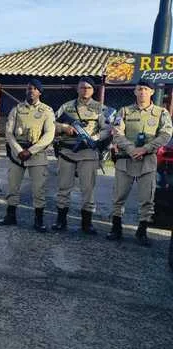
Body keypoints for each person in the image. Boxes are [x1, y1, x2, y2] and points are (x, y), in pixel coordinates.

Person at [106, 80, 172, 245]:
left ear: (151, 92)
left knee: (146, 199)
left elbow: (165, 134)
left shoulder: (161, 112)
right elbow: (117, 133)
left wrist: (145, 148)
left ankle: (142, 231)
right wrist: (131, 149)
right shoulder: (125, 111)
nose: (142, 92)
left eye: (145, 89)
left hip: (147, 161)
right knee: (118, 196)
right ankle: (116, 228)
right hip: (126, 160)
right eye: (139, 89)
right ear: (135, 92)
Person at [52, 77, 111, 234]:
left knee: (88, 189)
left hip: (88, 153)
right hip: (67, 152)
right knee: (63, 187)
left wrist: (95, 138)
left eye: (88, 88)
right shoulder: (66, 106)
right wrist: (64, 127)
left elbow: (107, 129)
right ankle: (61, 220)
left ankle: (87, 223)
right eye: (82, 87)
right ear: (77, 89)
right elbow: (52, 123)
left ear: (93, 90)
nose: (85, 90)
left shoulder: (101, 109)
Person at [0, 79, 55, 232]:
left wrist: (31, 151)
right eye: (29, 88)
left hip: (37, 155)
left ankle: (39, 220)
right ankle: (10, 216)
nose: (31, 91)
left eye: (35, 89)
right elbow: (8, 132)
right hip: (18, 155)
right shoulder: (16, 109)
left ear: (40, 92)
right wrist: (18, 150)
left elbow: (49, 134)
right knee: (12, 187)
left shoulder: (47, 111)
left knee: (38, 189)